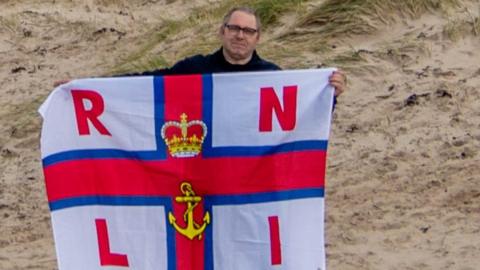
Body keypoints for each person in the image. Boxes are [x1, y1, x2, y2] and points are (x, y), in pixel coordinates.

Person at [54, 6, 347, 98]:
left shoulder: (270, 76)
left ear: (258, 38)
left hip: (250, 173)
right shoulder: (197, 68)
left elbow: (302, 118)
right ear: (222, 31)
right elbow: (147, 84)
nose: (239, 36)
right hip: (203, 172)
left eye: (247, 31)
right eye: (234, 28)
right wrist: (85, 87)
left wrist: (329, 95)